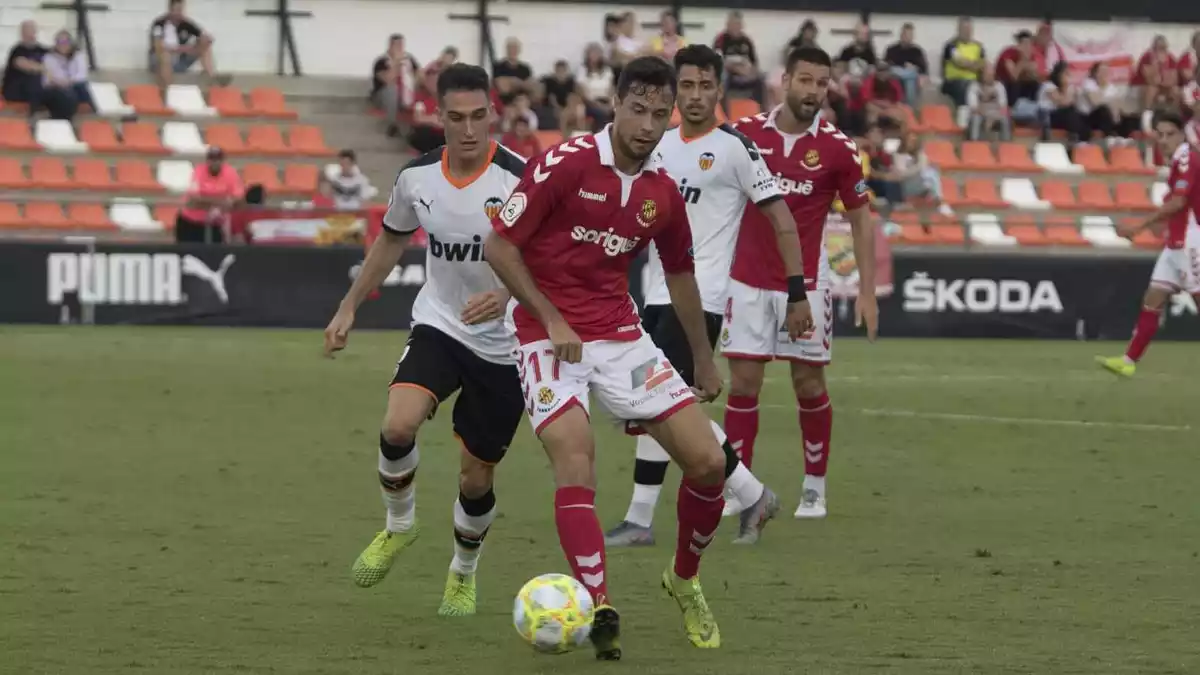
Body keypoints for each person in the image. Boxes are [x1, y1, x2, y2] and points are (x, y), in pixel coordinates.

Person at [484, 56, 735, 657]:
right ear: (615, 104)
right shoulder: (565, 164)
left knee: (708, 465)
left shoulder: (662, 192)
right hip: (546, 335)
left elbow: (679, 273)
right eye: (638, 109)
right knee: (577, 456)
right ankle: (600, 609)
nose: (648, 125)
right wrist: (549, 317)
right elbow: (499, 245)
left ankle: (684, 579)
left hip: (622, 337)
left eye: (659, 113)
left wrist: (702, 355)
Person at [324, 64, 528, 617]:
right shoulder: (417, 179)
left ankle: (462, 572)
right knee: (397, 424)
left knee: (475, 475)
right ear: (437, 117)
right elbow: (389, 243)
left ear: (493, 115)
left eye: (478, 117)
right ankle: (399, 527)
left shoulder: (521, 178)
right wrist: (348, 308)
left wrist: (509, 298)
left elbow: (549, 260)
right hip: (441, 323)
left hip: (505, 345)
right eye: (456, 118)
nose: (468, 130)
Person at [605, 45, 813, 548]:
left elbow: (781, 220)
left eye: (705, 86)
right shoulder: (656, 146)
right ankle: (747, 492)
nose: (695, 96)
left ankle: (650, 517)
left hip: (700, 298)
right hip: (654, 294)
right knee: (658, 405)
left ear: (720, 89)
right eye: (687, 86)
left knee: (661, 404)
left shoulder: (734, 149)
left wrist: (797, 292)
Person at [721, 46, 878, 520]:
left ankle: (814, 488)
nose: (813, 91)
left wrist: (867, 291)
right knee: (743, 384)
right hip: (745, 281)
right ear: (784, 80)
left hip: (806, 286)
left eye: (821, 83)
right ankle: (741, 489)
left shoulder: (837, 148)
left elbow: (861, 220)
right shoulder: (742, 136)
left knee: (808, 383)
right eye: (805, 80)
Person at [1098, 112, 1199, 377]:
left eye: (1169, 134)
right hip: (1175, 243)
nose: (1164, 140)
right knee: (1153, 299)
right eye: (1160, 135)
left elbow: (1178, 203)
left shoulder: (1187, 157)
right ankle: (1129, 361)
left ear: (1182, 134)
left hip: (1191, 243)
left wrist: (1138, 227)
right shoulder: (1177, 161)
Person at [148, 0, 228, 88]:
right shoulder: (159, 24)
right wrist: (182, 49)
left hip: (180, 60)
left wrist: (204, 40)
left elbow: (204, 35)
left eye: (181, 10)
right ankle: (169, 89)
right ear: (170, 10)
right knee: (165, 55)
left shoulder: (186, 24)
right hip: (160, 61)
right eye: (176, 10)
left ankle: (212, 77)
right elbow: (158, 46)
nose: (179, 13)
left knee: (205, 47)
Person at [176, 146, 243, 243]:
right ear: (207, 161)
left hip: (216, 222)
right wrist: (221, 201)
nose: (215, 163)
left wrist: (205, 201)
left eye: (218, 160)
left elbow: (237, 198)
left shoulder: (230, 173)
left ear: (222, 161)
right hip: (191, 219)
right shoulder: (199, 171)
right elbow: (194, 199)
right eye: (212, 159)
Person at [371, 34, 420, 138]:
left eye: (401, 45)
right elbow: (388, 80)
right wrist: (397, 63)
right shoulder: (381, 61)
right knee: (392, 90)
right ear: (390, 46)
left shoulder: (409, 59)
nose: (399, 48)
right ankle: (392, 125)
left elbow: (420, 76)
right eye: (396, 45)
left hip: (406, 94)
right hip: (383, 96)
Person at [40, 30, 92, 121]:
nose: (62, 45)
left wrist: (68, 81)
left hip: (75, 86)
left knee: (82, 87)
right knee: (66, 94)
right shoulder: (49, 58)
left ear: (71, 43)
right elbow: (47, 80)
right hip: (56, 89)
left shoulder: (79, 56)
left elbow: (82, 75)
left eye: (65, 42)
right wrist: (60, 82)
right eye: (59, 42)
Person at [941, 17, 985, 107]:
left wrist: (968, 64)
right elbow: (960, 63)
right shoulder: (951, 45)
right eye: (964, 29)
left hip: (974, 81)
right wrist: (973, 64)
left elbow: (982, 65)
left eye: (969, 29)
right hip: (953, 81)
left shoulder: (978, 46)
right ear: (958, 30)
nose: (967, 32)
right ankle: (963, 114)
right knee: (965, 86)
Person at [1, 21, 46, 109]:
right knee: (34, 79)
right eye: (26, 32)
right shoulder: (17, 50)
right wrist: (43, 68)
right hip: (16, 90)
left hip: (36, 91)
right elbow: (25, 65)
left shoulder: (43, 50)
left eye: (31, 31)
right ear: (22, 34)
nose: (29, 35)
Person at [1038, 62, 1084, 142]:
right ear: (1059, 74)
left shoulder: (1066, 88)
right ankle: (1076, 139)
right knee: (1070, 110)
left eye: (1069, 74)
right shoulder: (1048, 85)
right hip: (1047, 116)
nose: (1068, 77)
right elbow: (1063, 102)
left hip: (1061, 117)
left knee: (1079, 114)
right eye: (1066, 74)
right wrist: (1069, 89)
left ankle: (1079, 139)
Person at [884, 23, 928, 104]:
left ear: (912, 37)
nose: (907, 37)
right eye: (905, 34)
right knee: (902, 73)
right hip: (895, 76)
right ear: (901, 35)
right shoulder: (891, 50)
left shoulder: (917, 51)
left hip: (911, 77)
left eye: (909, 35)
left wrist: (914, 68)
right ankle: (909, 109)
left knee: (910, 77)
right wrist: (903, 68)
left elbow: (923, 69)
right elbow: (885, 66)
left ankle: (908, 108)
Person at [966, 62, 1011, 141]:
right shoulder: (974, 87)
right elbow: (974, 109)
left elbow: (1003, 108)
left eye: (992, 75)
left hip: (995, 115)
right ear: (982, 75)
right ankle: (974, 145)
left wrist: (993, 118)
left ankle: (1006, 146)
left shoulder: (999, 87)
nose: (990, 77)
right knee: (976, 119)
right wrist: (987, 117)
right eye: (987, 74)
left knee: (1005, 119)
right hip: (980, 115)